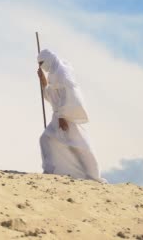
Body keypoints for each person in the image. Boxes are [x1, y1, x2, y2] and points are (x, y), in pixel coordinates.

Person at [36, 49, 106, 183]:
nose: (41, 66)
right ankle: (50, 170)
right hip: (59, 117)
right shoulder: (53, 75)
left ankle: (93, 176)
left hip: (67, 117)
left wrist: (63, 117)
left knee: (80, 146)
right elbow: (51, 96)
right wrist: (42, 79)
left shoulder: (62, 74)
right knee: (46, 139)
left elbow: (70, 97)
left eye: (42, 63)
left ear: (49, 59)